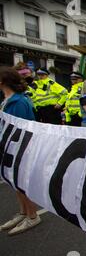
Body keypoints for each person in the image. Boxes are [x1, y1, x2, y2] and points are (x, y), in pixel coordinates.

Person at [0, 67, 41, 235]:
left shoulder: (19, 102)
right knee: (14, 181)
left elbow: (21, 129)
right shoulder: (8, 99)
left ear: (3, 82)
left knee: (21, 182)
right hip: (8, 147)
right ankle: (23, 212)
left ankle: (32, 215)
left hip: (19, 147)